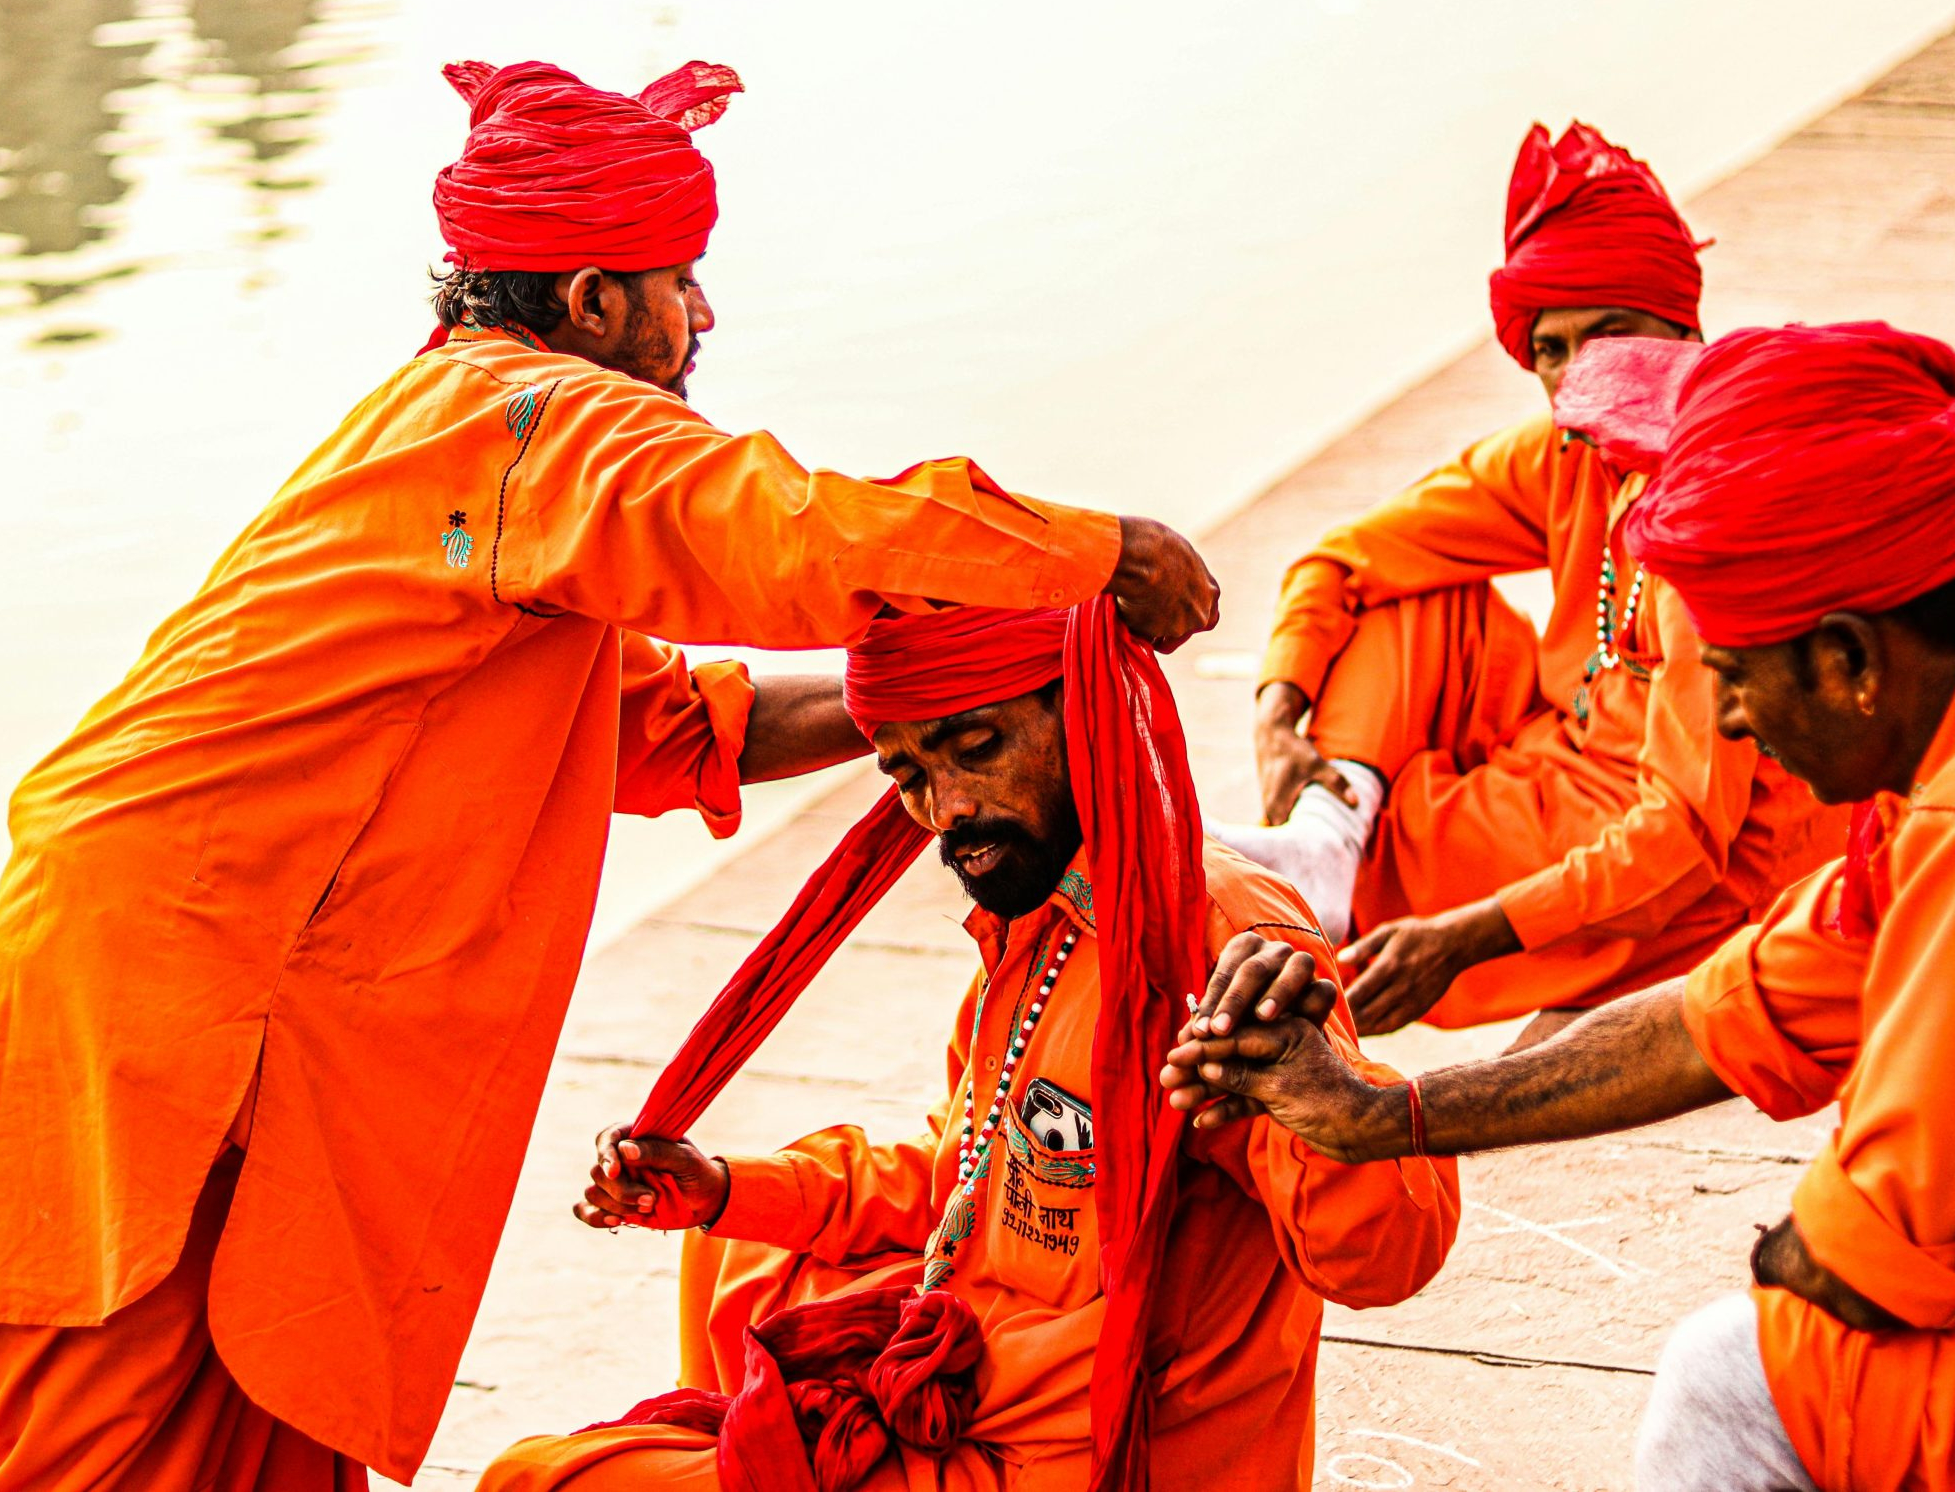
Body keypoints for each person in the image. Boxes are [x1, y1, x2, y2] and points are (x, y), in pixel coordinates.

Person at [0, 58, 1221, 1492]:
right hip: (156, 989)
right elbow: (777, 531)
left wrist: (936, 691)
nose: (702, 314)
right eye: (679, 279)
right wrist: (1094, 553)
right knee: (85, 1450)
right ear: (590, 300)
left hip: (230, 992)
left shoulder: (475, 450)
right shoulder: (532, 420)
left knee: (269, 1427)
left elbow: (668, 727)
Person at [1166, 321, 1955, 1492]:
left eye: (1732, 678)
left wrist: (1798, 1250)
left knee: (1742, 1375)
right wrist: (1373, 1113)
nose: (1728, 725)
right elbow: (1704, 1024)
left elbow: (1857, 1258)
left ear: (1845, 660)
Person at [481, 603, 1457, 1492]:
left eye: (974, 748)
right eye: (908, 774)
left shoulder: (1215, 941)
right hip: (977, 1373)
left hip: (1068, 1454)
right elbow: (969, 1176)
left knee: (538, 1485)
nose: (945, 809)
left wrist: (1317, 1092)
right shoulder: (1037, 918)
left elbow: (1386, 1259)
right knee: (737, 1247)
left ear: (1085, 717)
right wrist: (725, 1187)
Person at [1211, 121, 1835, 1040]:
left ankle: (1334, 879)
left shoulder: (1715, 502)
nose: (1584, 375)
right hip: (1549, 756)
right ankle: (1325, 847)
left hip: (1671, 860)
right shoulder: (1564, 454)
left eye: (1613, 333)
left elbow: (1685, 836)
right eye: (1554, 349)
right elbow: (1341, 557)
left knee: (1257, 927)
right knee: (1404, 587)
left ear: (1685, 330)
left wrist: (1457, 942)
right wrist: (1277, 714)